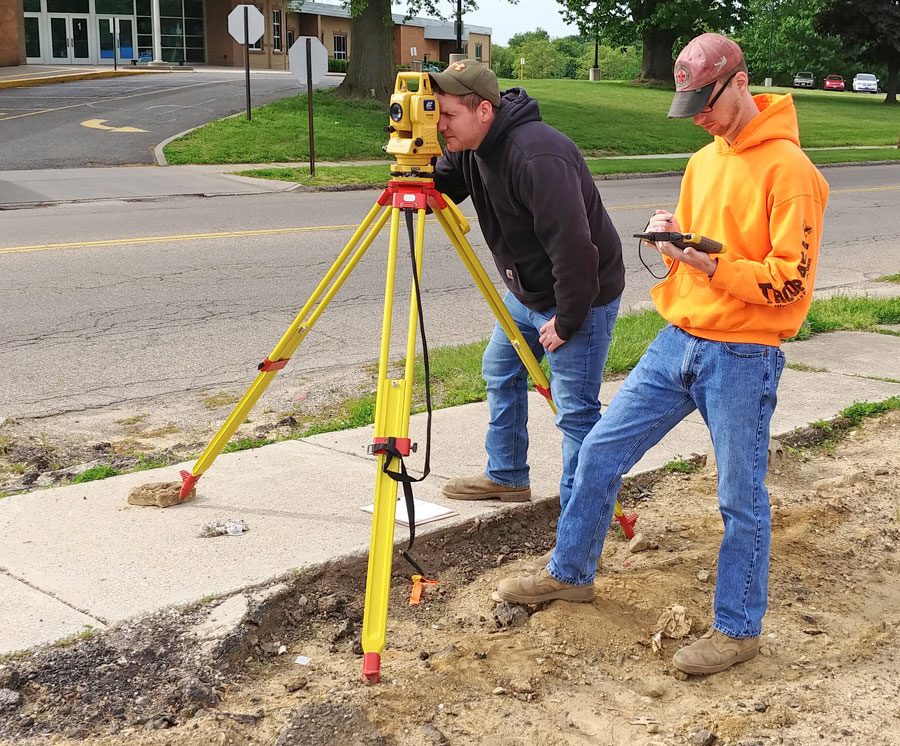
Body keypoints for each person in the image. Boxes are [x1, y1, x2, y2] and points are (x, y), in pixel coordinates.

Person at [495, 33, 829, 676]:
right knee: (598, 451)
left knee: (738, 494)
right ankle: (571, 574)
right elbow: (702, 249)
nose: (698, 114)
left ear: (738, 81)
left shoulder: (792, 172)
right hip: (678, 340)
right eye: (688, 103)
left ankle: (737, 629)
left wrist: (712, 264)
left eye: (705, 100)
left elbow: (790, 281)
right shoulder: (705, 161)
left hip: (744, 355)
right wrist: (674, 239)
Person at [427, 60, 625, 546]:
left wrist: (569, 320)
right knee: (502, 370)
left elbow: (576, 249)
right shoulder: (473, 147)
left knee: (575, 412)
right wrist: (414, 153)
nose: (439, 125)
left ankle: (577, 537)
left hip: (580, 294)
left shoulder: (537, 156)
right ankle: (508, 475)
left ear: (484, 111)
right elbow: (440, 186)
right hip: (528, 292)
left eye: (447, 114)